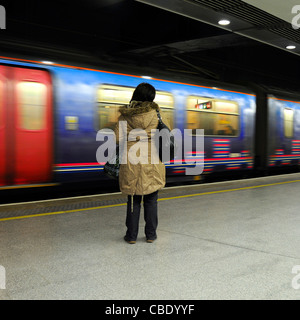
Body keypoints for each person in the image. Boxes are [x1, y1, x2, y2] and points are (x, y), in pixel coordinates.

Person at [114, 82, 167, 244]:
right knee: (151, 199)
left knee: (133, 200)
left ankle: (131, 236)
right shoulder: (156, 113)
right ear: (151, 98)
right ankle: (151, 235)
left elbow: (117, 138)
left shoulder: (125, 115)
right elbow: (166, 131)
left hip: (131, 160)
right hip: (151, 160)